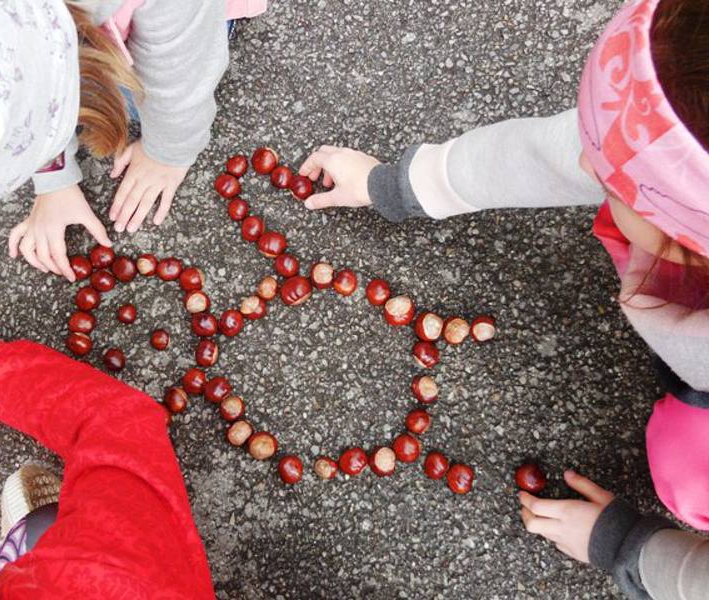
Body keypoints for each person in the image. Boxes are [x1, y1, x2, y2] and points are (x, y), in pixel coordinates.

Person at [295, 0, 709, 597]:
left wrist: (631, 550)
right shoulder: (657, 124)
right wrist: (400, 185)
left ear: (685, 240)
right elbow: (544, 154)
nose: (586, 165)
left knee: (686, 470)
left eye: (610, 179)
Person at [0, 0, 229, 282]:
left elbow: (185, 77)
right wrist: (54, 177)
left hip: (191, 23)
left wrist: (168, 153)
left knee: (134, 93)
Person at [0, 313, 214, 599]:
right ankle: (38, 561)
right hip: (89, 567)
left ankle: (20, 573)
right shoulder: (103, 581)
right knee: (66, 530)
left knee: (46, 537)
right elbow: (120, 426)